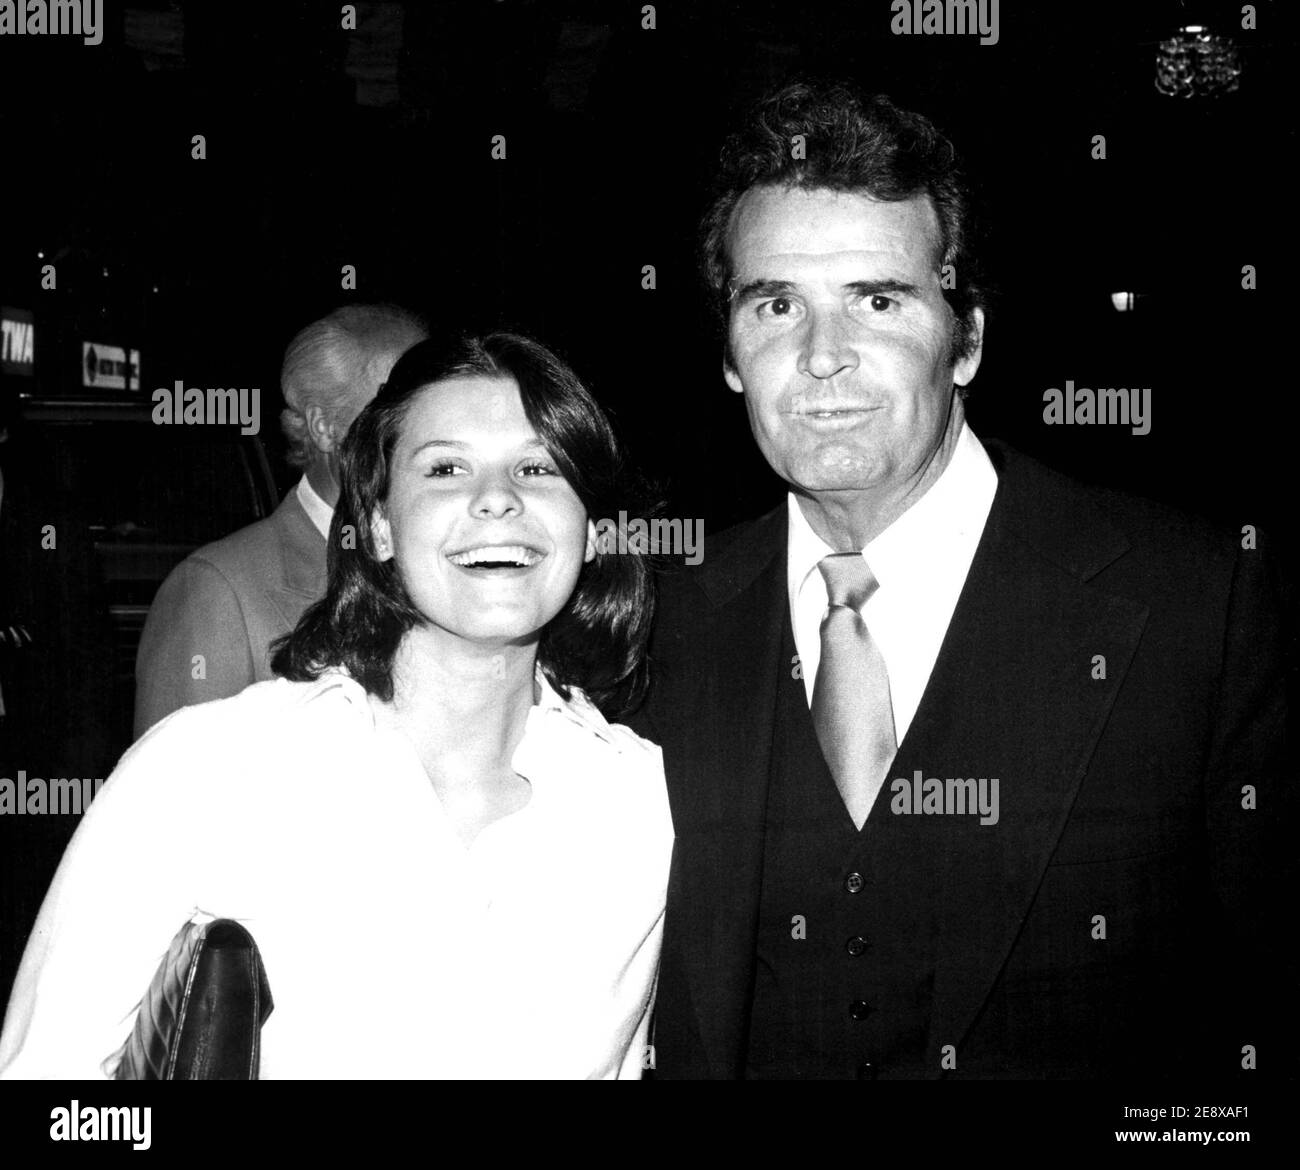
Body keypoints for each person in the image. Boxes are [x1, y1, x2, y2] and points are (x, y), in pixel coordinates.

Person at [634, 82, 1287, 1079]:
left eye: (878, 302)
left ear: (966, 336)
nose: (820, 359)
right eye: (774, 306)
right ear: (729, 353)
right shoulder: (658, 615)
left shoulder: (1197, 602)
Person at [0, 333, 672, 1079]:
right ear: (380, 525)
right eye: (446, 467)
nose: (497, 498)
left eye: (538, 466)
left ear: (588, 525)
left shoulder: (637, 804)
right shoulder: (210, 769)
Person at [132, 303, 428, 738]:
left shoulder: (445, 568)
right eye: (392, 409)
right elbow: (169, 797)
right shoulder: (217, 590)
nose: (424, 432)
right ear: (323, 425)